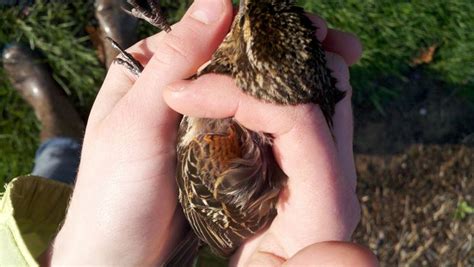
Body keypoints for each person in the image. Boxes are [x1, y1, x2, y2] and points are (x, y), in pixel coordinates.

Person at [1, 0, 377, 266]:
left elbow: (202, 218)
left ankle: (60, 124)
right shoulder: (289, 86)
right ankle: (72, 115)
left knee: (59, 162)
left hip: (179, 232)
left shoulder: (223, 149)